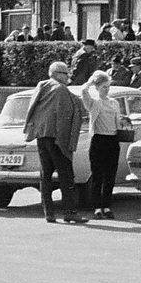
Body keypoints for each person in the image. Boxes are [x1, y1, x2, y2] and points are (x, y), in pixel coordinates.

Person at [23, 61, 87, 223]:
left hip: (41, 135)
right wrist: (66, 144)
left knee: (46, 174)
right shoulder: (60, 89)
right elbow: (64, 117)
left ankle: (49, 213)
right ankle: (70, 212)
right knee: (66, 175)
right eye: (67, 74)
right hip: (57, 138)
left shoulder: (42, 85)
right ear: (59, 74)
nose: (69, 77)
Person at [80, 70, 121, 219]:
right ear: (97, 88)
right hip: (98, 140)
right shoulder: (94, 102)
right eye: (104, 87)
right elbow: (83, 91)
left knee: (110, 175)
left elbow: (118, 121)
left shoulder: (114, 102)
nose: (106, 90)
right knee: (98, 175)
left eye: (108, 87)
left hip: (112, 140)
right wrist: (92, 80)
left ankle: (107, 206)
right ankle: (97, 207)